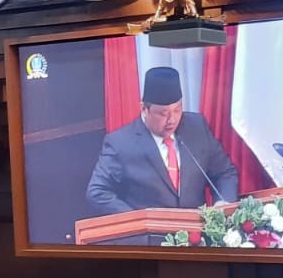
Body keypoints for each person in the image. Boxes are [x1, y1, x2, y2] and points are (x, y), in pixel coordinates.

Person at [85, 66, 239, 215]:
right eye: (163, 113)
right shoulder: (120, 143)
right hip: (152, 238)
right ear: (144, 109)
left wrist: (223, 204)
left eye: (177, 110)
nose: (171, 120)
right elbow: (97, 192)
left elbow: (224, 173)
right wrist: (137, 220)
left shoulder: (196, 127)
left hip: (198, 234)